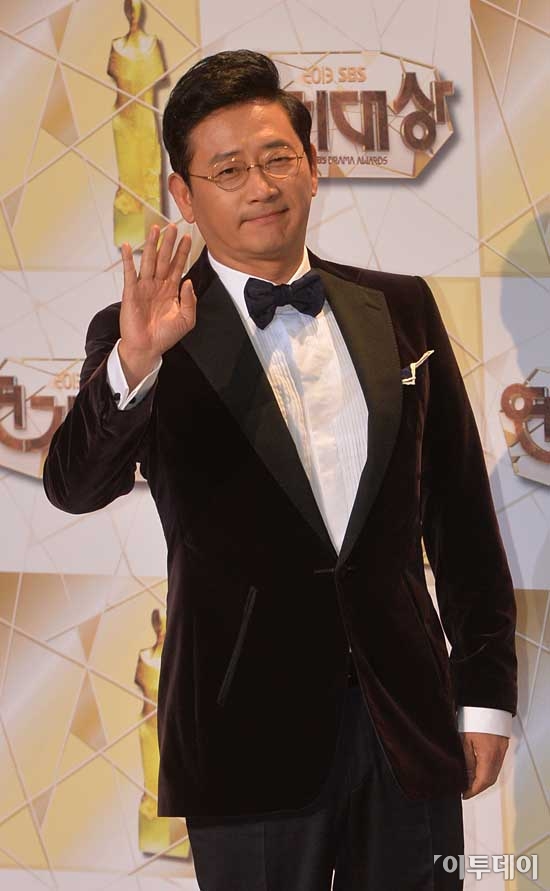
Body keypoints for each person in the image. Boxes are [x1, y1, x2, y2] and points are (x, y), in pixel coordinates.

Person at [43, 50, 517, 890]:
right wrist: (135, 362)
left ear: (312, 166)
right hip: (242, 739)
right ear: (184, 194)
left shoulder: (401, 307)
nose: (260, 186)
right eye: (228, 170)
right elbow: (76, 484)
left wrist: (484, 697)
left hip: (406, 728)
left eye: (277, 158)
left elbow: (461, 520)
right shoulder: (144, 330)